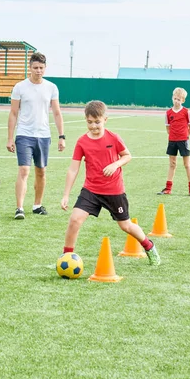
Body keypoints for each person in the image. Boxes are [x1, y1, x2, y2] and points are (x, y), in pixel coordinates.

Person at [60, 100, 161, 266]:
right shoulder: (81, 142)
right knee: (74, 220)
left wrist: (115, 164)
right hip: (91, 190)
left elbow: (127, 155)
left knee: (126, 226)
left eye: (97, 122)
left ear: (105, 119)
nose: (93, 126)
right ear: (85, 120)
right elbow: (73, 169)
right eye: (89, 122)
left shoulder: (113, 138)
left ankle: (149, 247)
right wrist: (65, 195)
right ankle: (65, 258)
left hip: (114, 191)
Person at [6, 51, 65, 220]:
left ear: (45, 68)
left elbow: (57, 113)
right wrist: (10, 138)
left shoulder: (51, 87)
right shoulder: (20, 87)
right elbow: (13, 113)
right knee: (24, 170)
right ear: (30, 68)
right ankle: (19, 208)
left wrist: (62, 136)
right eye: (35, 67)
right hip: (24, 135)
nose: (38, 70)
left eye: (41, 68)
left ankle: (37, 205)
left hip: (44, 136)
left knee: (41, 172)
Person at [157, 87, 190, 196]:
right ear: (172, 98)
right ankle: (168, 188)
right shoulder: (168, 113)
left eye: (179, 99)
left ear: (183, 100)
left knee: (187, 164)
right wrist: (174, 136)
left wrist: (184, 136)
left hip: (184, 141)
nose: (176, 101)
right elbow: (168, 128)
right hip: (172, 141)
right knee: (172, 164)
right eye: (175, 98)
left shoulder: (186, 112)